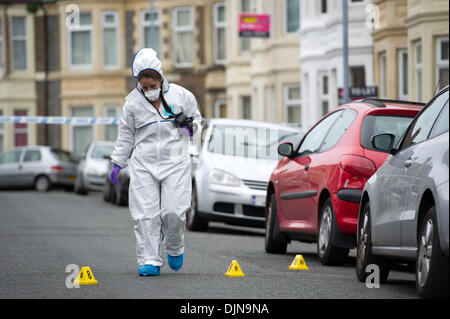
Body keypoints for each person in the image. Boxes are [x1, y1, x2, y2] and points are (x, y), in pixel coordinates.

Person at [110, 48, 202, 276]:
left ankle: (174, 246)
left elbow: (198, 126)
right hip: (143, 163)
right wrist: (117, 162)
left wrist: (189, 127)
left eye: (153, 86)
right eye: (145, 87)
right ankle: (149, 259)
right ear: (139, 84)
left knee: (174, 212)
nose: (150, 91)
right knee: (145, 215)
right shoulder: (132, 104)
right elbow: (126, 135)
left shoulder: (182, 96)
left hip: (175, 162)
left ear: (161, 79)